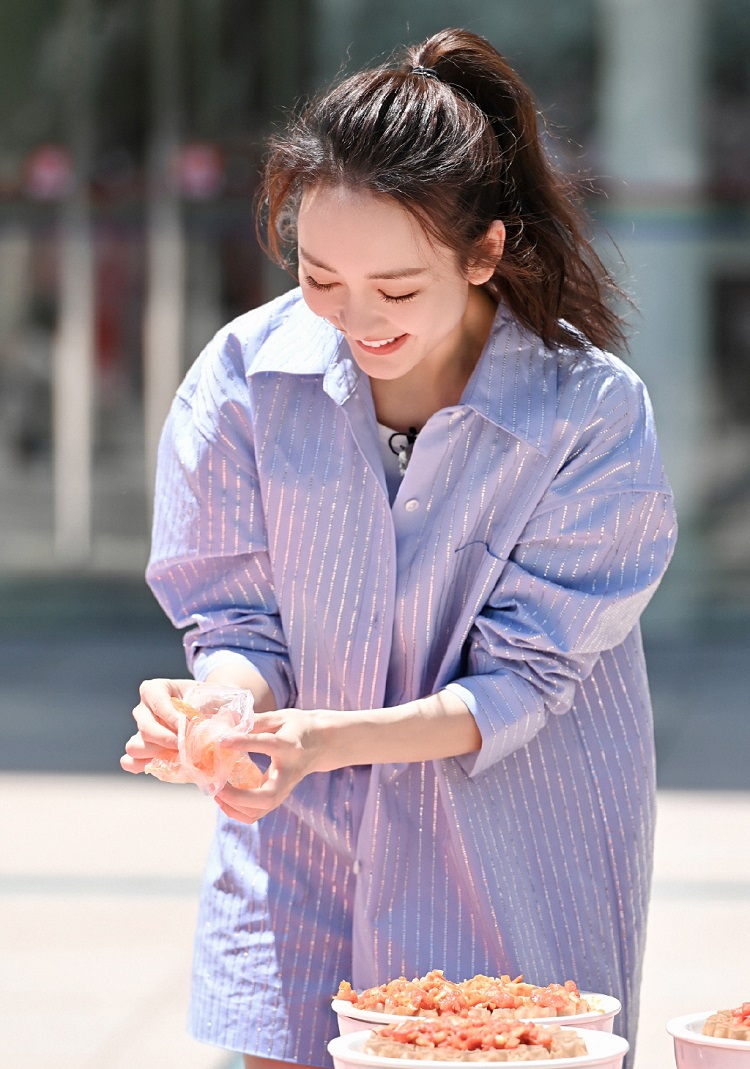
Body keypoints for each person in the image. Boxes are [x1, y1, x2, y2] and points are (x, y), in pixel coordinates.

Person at [121, 27, 677, 1069]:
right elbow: (237, 618)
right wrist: (224, 705)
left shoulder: (590, 416)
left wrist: (317, 741)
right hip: (299, 848)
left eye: (397, 287)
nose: (351, 316)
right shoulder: (242, 379)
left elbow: (520, 682)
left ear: (484, 251)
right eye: (319, 275)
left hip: (511, 855)